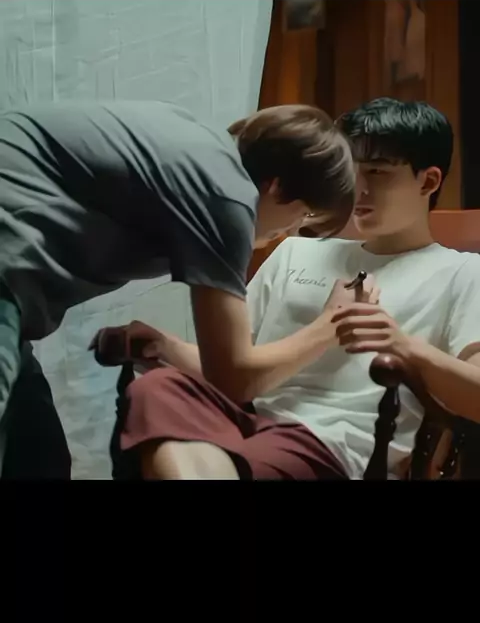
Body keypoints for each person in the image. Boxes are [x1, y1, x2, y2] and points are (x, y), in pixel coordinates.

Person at [96, 97, 480, 480]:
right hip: (244, 420)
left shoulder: (461, 272)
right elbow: (236, 370)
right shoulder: (296, 250)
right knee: (158, 387)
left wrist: (404, 345)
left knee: (194, 454)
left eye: (377, 172)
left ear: (428, 181)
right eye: (351, 170)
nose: (358, 187)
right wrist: (166, 347)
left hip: (330, 442)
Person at [0, 100, 355, 478]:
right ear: (277, 186)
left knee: (38, 457)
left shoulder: (203, 156)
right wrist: (333, 324)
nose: (294, 230)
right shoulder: (227, 194)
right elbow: (234, 377)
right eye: (306, 214)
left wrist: (165, 346)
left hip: (13, 282)